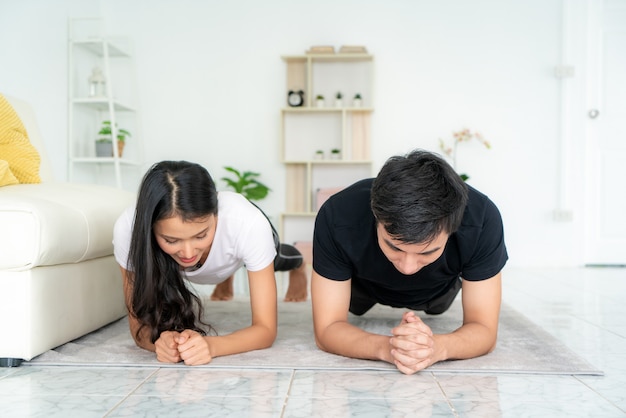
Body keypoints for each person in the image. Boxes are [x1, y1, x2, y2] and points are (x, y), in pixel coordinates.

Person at [311, 149, 508, 375]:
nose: (407, 268)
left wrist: (436, 348)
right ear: (375, 216)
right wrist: (388, 349)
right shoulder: (338, 215)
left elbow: (484, 329)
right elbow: (326, 329)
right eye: (394, 247)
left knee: (439, 305)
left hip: (438, 289)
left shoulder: (482, 219)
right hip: (363, 284)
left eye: (427, 252)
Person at [113, 160, 304, 365]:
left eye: (201, 235)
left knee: (281, 259)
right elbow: (138, 327)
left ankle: (297, 265)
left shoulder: (248, 224)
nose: (187, 253)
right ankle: (221, 268)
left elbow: (265, 330)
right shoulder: (129, 230)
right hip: (222, 251)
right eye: (171, 240)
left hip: (240, 246)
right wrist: (161, 342)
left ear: (216, 215)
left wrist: (211, 346)